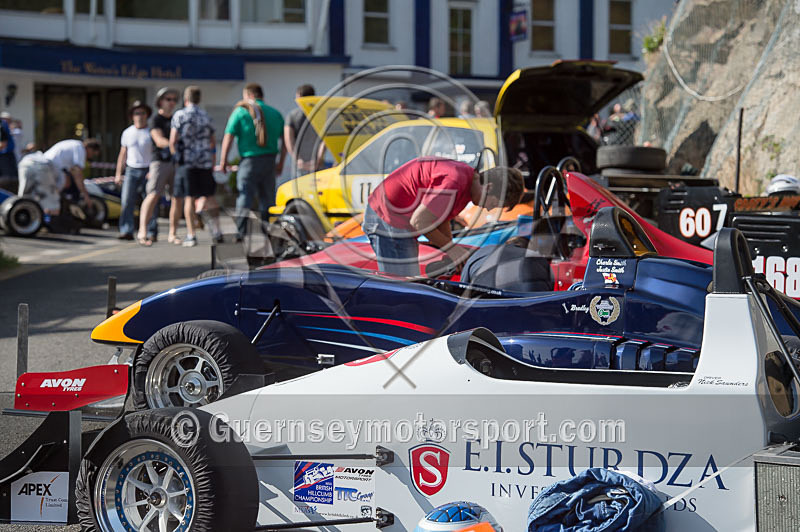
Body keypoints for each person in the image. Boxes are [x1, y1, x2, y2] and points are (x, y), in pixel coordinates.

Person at [362, 157, 524, 276]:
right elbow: (419, 221)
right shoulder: (454, 181)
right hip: (386, 217)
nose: (488, 209)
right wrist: (452, 249)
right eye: (493, 204)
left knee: (408, 282)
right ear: (489, 187)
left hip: (399, 218)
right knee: (401, 286)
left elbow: (440, 217)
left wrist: (451, 252)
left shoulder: (466, 185)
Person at [220, 82, 286, 241]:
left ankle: (241, 234)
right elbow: (285, 141)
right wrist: (281, 162)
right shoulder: (275, 113)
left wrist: (223, 161)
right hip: (269, 161)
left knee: (245, 197)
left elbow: (228, 136)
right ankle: (268, 234)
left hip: (249, 161)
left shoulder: (241, 112)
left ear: (249, 95)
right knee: (268, 199)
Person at [170, 85, 221, 247]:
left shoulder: (180, 115)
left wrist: (177, 158)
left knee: (189, 198)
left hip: (188, 162)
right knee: (210, 196)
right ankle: (217, 231)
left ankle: (191, 235)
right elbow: (213, 141)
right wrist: (212, 159)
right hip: (204, 162)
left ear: (185, 99)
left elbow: (173, 141)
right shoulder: (206, 116)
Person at [139, 87, 181, 245]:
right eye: (168, 99)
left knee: (177, 197)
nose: (171, 103)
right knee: (153, 195)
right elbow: (158, 140)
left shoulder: (177, 119)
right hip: (160, 162)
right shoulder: (156, 120)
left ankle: (173, 233)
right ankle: (143, 231)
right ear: (160, 101)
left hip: (176, 162)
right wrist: (175, 146)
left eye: (173, 100)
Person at [18, 138, 99, 216]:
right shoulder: (80, 149)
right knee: (53, 204)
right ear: (90, 149)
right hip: (42, 167)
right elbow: (77, 174)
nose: (90, 157)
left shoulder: (71, 144)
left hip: (27, 163)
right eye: (93, 154)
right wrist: (86, 195)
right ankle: (52, 225)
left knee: (25, 198)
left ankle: (23, 221)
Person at [115, 100, 154, 243]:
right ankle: (126, 230)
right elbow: (122, 154)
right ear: (132, 116)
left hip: (148, 169)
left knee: (149, 202)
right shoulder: (127, 132)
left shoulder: (151, 132)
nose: (140, 116)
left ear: (147, 115)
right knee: (126, 201)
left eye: (142, 113)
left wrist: (154, 170)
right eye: (137, 113)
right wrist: (119, 173)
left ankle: (151, 231)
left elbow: (157, 153)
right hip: (132, 169)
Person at [284, 84, 324, 176]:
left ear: (299, 97)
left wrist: (297, 159)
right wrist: (319, 159)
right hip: (317, 163)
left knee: (299, 189)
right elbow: (325, 140)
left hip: (300, 164)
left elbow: (288, 140)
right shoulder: (321, 115)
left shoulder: (292, 115)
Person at [0, 111, 17, 180]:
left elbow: (3, 144)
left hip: (5, 157)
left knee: (7, 180)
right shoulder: (3, 125)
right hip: (6, 157)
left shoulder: (2, 126)